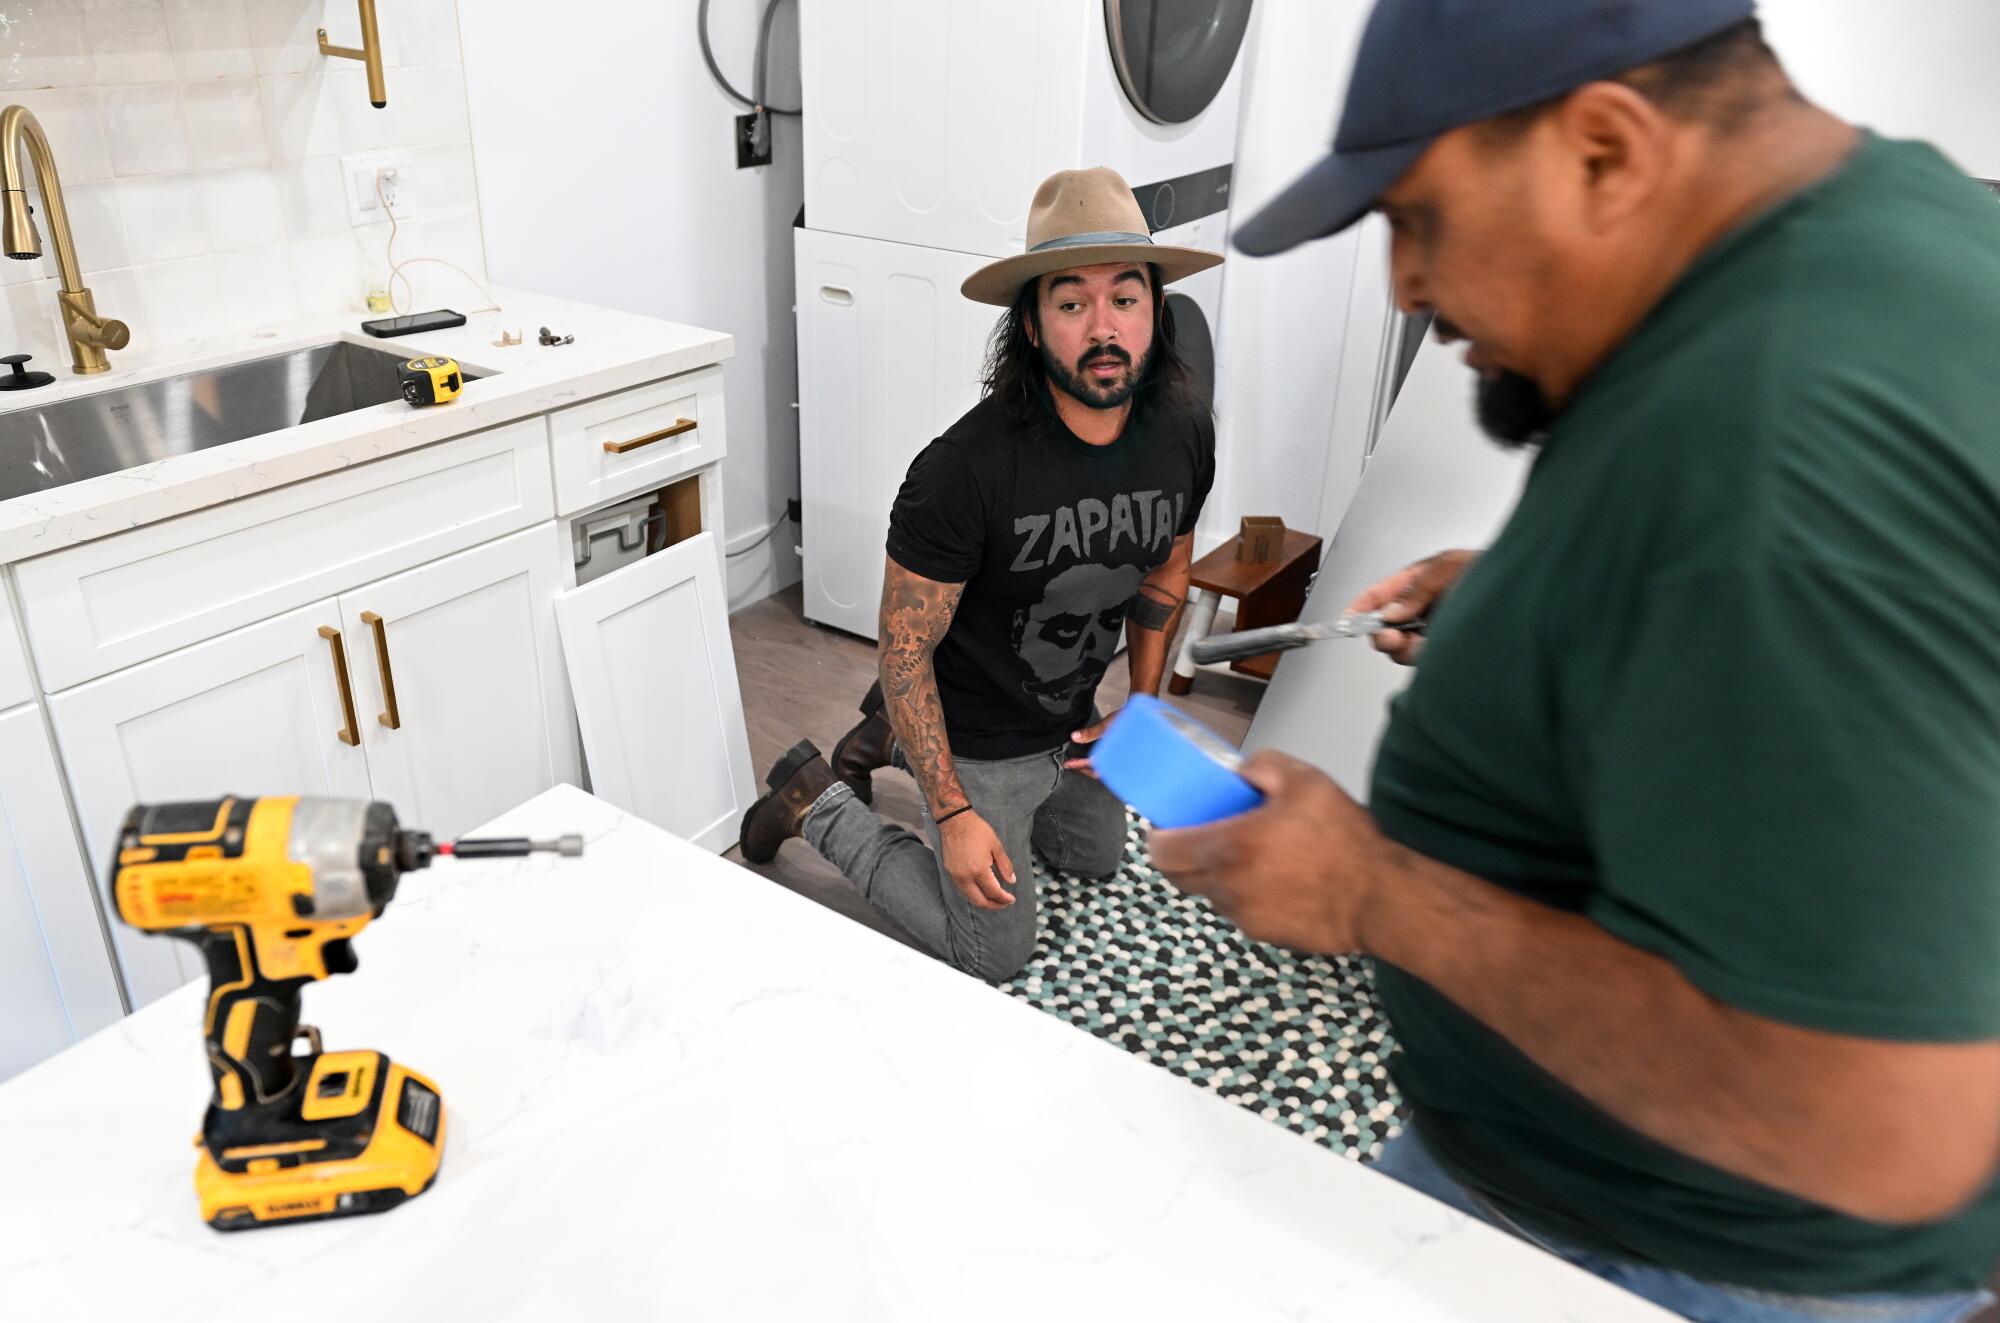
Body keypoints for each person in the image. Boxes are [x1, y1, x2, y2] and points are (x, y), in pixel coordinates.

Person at [1152, 2, 2000, 1319]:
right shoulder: (1892, 243)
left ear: (1605, 151)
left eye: (1417, 219)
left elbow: (1882, 1120)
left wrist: (1372, 890)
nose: (1406, 290)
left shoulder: (1780, 457)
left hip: (1677, 1256)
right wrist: (1543, 606)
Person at [740, 167, 1220, 983]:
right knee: (992, 954)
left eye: (1125, 298)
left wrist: (1139, 704)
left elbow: (1169, 563)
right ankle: (814, 797)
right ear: (1032, 325)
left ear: (1158, 311)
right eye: (1072, 303)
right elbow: (901, 652)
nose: (1104, 327)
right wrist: (955, 810)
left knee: (1099, 862)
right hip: (978, 736)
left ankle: (894, 735)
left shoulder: (1182, 435)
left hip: (1068, 718)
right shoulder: (962, 472)